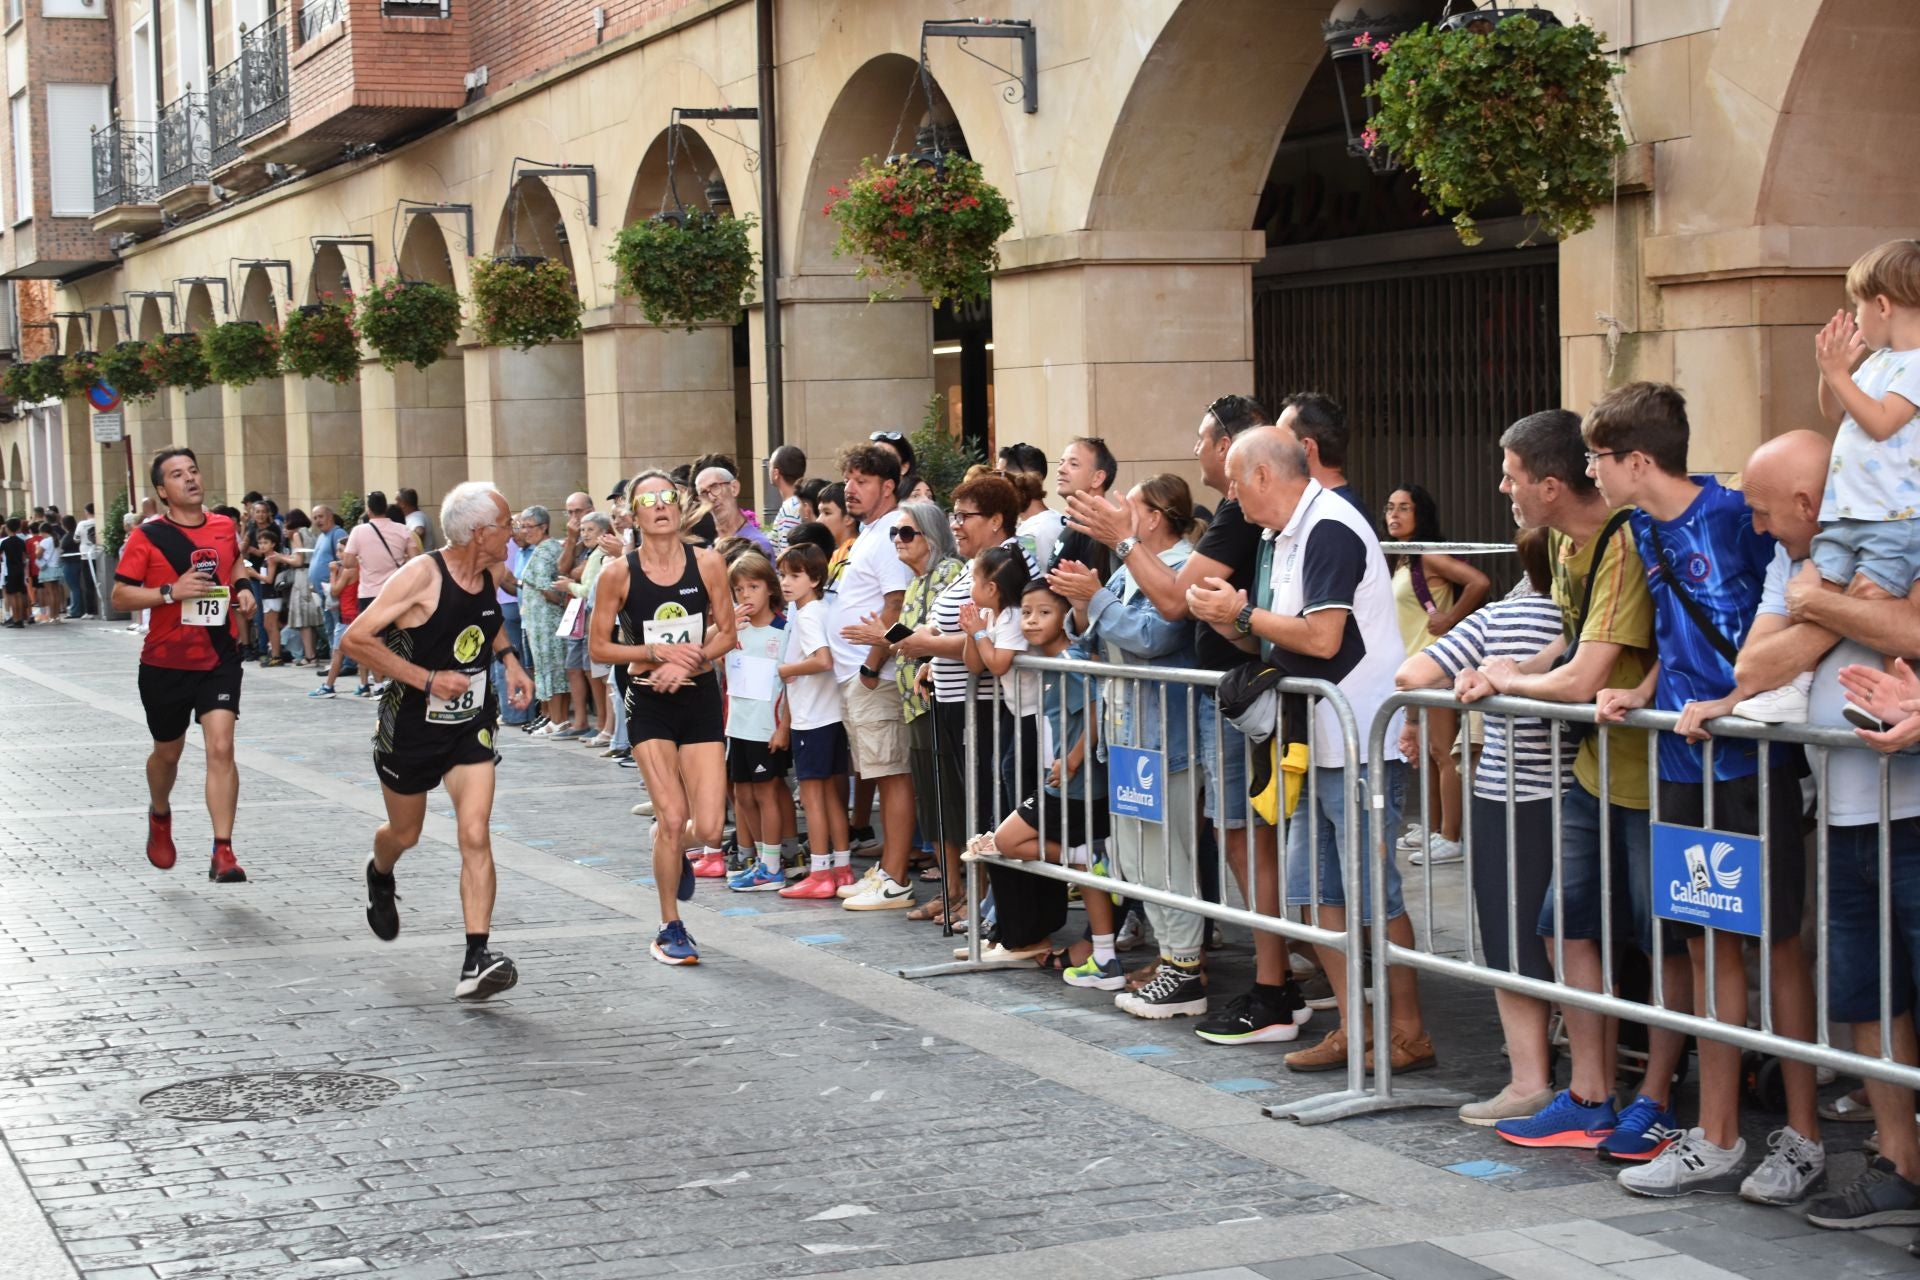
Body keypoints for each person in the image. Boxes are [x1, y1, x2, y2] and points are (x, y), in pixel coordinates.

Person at [1580, 383, 1824, 1201]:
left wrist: (1742, 701)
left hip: (1755, 758)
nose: (1592, 472)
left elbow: (1780, 615)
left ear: (1637, 461)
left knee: (1776, 941)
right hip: (1682, 763)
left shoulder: (1731, 515)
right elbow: (1687, 631)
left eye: (1599, 459)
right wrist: (1644, 688)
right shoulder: (1642, 527)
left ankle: (1802, 1136)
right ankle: (1715, 1135)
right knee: (1703, 940)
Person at [1459, 408, 1691, 1160]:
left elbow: (1590, 671)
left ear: (1550, 486)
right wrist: (1513, 670)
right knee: (1567, 926)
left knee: (1667, 945)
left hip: (1659, 771)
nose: (1503, 489)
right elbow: (1570, 637)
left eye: (1512, 477)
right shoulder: (1563, 541)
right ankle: (1590, 1096)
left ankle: (1654, 1099)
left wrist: (1508, 685)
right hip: (1597, 769)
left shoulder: (1627, 538)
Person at [1065, 395, 1302, 1044]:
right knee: (1227, 842)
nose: (1194, 449)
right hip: (1192, 710)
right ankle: (1277, 979)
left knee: (1240, 842)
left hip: (1225, 706)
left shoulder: (1237, 516)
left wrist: (1121, 548)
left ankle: (1267, 982)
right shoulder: (1234, 516)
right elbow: (1110, 629)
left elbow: (1167, 614)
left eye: (1201, 438)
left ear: (1231, 448)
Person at [1190, 426, 1428, 1069]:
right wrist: (1231, 619)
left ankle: (1407, 1031)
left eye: (1236, 483)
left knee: (1373, 892)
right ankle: (1358, 1028)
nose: (1231, 498)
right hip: (1311, 737)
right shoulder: (1281, 534)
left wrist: (1238, 615)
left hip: (1357, 738)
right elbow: (1279, 642)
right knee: (1318, 893)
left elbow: (1322, 639)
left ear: (1265, 476)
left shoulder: (1330, 526)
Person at [1759, 430, 1920, 1231]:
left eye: (1766, 510)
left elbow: (1915, 634)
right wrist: (1837, 605)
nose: (1759, 528)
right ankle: (1899, 1166)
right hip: (1847, 816)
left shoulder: (1904, 533)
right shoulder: (1798, 567)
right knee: (1867, 998)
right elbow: (1753, 667)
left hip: (1914, 814)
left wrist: (1817, 605)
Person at [1395, 527, 1568, 1124]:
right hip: (1586, 788)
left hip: (1512, 793)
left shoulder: (1506, 617)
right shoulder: (1585, 616)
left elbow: (1412, 674)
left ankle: (1528, 1077)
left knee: (1512, 940)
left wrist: (1475, 680)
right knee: (1582, 940)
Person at [343, 481, 533, 1000]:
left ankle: (477, 956)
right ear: (478, 532)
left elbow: (485, 622)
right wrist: (426, 679)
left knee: (475, 832)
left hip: (470, 724)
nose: (512, 530)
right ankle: (380, 873)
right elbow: (354, 639)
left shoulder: (491, 570)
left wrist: (510, 660)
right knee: (405, 834)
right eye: (505, 523)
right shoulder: (420, 576)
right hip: (410, 727)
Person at [1733, 241, 1920, 727]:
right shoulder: (1879, 362)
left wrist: (1840, 372)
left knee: (1869, 601)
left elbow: (1881, 423)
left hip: (1894, 519)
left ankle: (1887, 697)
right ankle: (1793, 686)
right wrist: (1830, 371)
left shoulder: (1918, 364)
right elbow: (1835, 411)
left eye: (1858, 304)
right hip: (1849, 515)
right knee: (1816, 592)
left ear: (1883, 304)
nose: (1855, 317)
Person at [1050, 473, 1211, 1018]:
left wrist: (1093, 599)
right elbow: (1090, 639)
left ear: (1155, 517)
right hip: (1126, 738)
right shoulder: (1130, 568)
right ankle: (1173, 960)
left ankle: (1186, 966)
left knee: (1168, 855)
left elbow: (1154, 636)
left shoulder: (1181, 565)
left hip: (1165, 737)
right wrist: (1080, 603)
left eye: (1130, 507)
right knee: (1136, 856)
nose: (1119, 514)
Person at [589, 470, 736, 966]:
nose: (660, 506)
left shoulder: (710, 562)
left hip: (698, 697)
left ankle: (665, 842)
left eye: (668, 497)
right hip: (648, 697)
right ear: (633, 512)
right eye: (648, 499)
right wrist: (654, 652)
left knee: (711, 827)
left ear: (680, 505)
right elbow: (598, 646)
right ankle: (669, 925)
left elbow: (727, 633)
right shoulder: (619, 574)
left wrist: (689, 660)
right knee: (674, 814)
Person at [109, 446, 260, 883]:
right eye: (177, 475)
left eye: (193, 470)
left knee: (221, 746)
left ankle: (223, 851)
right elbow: (120, 596)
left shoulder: (223, 525)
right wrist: (171, 592)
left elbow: (232, 565)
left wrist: (245, 586)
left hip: (218, 656)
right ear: (162, 490)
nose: (190, 478)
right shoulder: (147, 536)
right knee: (168, 753)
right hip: (165, 663)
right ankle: (160, 813)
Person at [828, 443, 920, 911]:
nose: (850, 488)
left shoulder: (890, 532)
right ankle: (887, 870)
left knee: (892, 777)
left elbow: (896, 605)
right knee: (882, 774)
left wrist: (871, 665)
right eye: (848, 479)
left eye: (861, 480)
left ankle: (896, 878)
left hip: (877, 679)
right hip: (860, 677)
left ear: (888, 485)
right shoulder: (869, 531)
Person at [1383, 483, 1490, 865]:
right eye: (1391, 507)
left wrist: (1451, 618)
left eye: (1404, 509)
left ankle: (1451, 836)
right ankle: (1433, 829)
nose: (1394, 515)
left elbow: (1479, 582)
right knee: (1428, 754)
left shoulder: (1427, 554)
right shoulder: (1404, 557)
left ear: (1420, 515)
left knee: (1444, 754)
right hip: (1415, 670)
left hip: (1436, 668)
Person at [774, 542, 854, 898]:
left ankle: (821, 872)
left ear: (816, 578)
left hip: (813, 719)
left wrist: (787, 669)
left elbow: (823, 660)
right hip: (829, 715)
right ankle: (842, 867)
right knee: (830, 796)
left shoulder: (806, 614)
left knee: (812, 797)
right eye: (782, 575)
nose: (786, 582)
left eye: (795, 575)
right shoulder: (821, 609)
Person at [722, 552, 795, 892]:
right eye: (739, 589)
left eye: (753, 586)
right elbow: (707, 653)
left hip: (768, 725)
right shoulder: (732, 629)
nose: (746, 595)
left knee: (767, 793)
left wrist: (784, 727)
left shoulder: (784, 630)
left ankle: (773, 865)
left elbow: (793, 685)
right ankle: (759, 859)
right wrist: (725, 627)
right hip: (738, 725)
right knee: (742, 792)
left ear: (770, 588)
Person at [342, 491, 418, 691]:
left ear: (368, 509)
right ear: (386, 508)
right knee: (399, 638)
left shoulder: (359, 532)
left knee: (374, 641)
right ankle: (402, 681)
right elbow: (418, 559)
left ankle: (378, 684)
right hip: (397, 591)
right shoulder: (403, 530)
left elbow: (348, 562)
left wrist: (363, 559)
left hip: (369, 592)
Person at [515, 506, 570, 733]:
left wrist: (558, 601)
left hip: (547, 622)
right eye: (522, 527)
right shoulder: (544, 548)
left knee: (552, 669)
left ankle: (558, 720)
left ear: (543, 526)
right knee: (547, 669)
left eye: (528, 527)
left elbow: (547, 588)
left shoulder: (546, 549)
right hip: (539, 622)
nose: (524, 531)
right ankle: (553, 719)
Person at [1279, 392, 1365, 513]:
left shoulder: (1334, 516)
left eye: (1280, 438)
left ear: (1306, 447)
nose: (1273, 448)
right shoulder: (1319, 507)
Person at [1051, 436, 1119, 583]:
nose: (1061, 469)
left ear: (1098, 478)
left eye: (1073, 464)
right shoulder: (1077, 522)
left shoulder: (1102, 529)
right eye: (1061, 463)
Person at [306, 505, 350, 695]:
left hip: (333, 590)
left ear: (330, 516)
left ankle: (344, 662)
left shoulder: (336, 533)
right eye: (315, 517)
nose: (318, 520)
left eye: (321, 516)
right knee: (330, 627)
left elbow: (342, 561)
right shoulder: (321, 536)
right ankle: (336, 663)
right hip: (323, 591)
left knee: (337, 627)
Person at [696, 466, 774, 557]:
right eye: (703, 493)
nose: (711, 498)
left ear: (734, 488)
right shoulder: (702, 544)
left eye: (715, 487)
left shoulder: (758, 545)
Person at [279, 510, 323, 665]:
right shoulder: (312, 534)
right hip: (311, 574)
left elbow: (298, 560)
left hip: (301, 576)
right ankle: (312, 653)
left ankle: (309, 656)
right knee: (311, 618)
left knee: (303, 619)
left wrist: (281, 557)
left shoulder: (297, 535)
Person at [245, 526, 290, 666]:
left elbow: (269, 579)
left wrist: (254, 574)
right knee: (267, 624)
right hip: (267, 595)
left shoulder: (272, 559)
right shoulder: (267, 558)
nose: (262, 545)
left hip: (272, 594)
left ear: (273, 544)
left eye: (265, 542)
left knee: (271, 626)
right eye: (260, 543)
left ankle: (276, 656)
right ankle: (275, 652)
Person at [767, 445, 807, 555]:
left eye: (769, 465)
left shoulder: (790, 508)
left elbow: (787, 554)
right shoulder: (800, 503)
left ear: (776, 473)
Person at [394, 486, 434, 551]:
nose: (395, 504)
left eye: (396, 500)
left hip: (421, 559)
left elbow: (420, 531)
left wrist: (405, 547)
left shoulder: (415, 517)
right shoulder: (416, 515)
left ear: (403, 503)